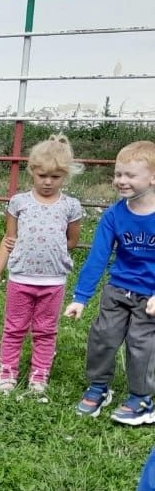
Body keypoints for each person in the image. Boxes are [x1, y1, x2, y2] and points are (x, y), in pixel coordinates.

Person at [0, 134, 84, 394]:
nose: (48, 182)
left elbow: (71, 241)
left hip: (53, 282)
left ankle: (39, 374)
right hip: (20, 279)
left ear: (65, 176)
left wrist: (50, 252)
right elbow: (9, 239)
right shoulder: (19, 202)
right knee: (14, 328)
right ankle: (8, 371)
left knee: (45, 331)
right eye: (42, 176)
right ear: (32, 172)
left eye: (55, 177)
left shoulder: (71, 206)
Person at [64, 141, 155, 425]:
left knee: (142, 346)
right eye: (118, 174)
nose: (121, 181)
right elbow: (98, 258)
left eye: (130, 175)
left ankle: (141, 399)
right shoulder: (114, 215)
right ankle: (99, 388)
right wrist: (81, 297)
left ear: (152, 178)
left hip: (150, 297)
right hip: (117, 291)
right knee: (102, 338)